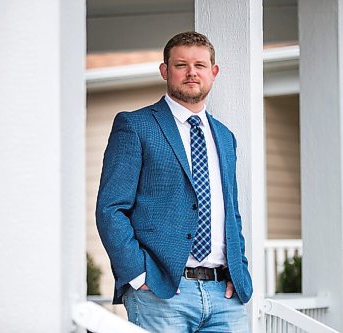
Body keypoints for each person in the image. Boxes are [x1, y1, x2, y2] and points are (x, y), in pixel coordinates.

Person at [96, 31, 252, 332]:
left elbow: (230, 213)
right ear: (165, 71)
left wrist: (239, 269)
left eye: (200, 65)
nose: (191, 72)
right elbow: (110, 209)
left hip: (225, 296)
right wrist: (138, 275)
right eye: (181, 65)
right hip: (162, 292)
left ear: (213, 72)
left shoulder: (224, 137)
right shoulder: (136, 126)